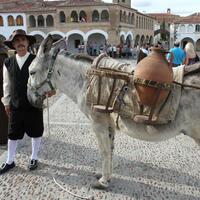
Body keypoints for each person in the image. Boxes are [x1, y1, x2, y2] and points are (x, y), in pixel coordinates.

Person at [0, 29, 54, 175]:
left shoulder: (36, 60)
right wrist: (6, 102)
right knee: (12, 134)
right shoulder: (8, 62)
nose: (20, 43)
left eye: (22, 40)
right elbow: (6, 83)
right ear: (13, 45)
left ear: (28, 42)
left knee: (35, 132)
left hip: (34, 103)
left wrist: (50, 90)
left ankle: (34, 157)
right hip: (16, 104)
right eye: (16, 41)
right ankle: (10, 161)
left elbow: (45, 78)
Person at [0, 40, 8, 145]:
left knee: (2, 116)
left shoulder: (2, 53)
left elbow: (4, 72)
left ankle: (2, 139)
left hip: (1, 89)